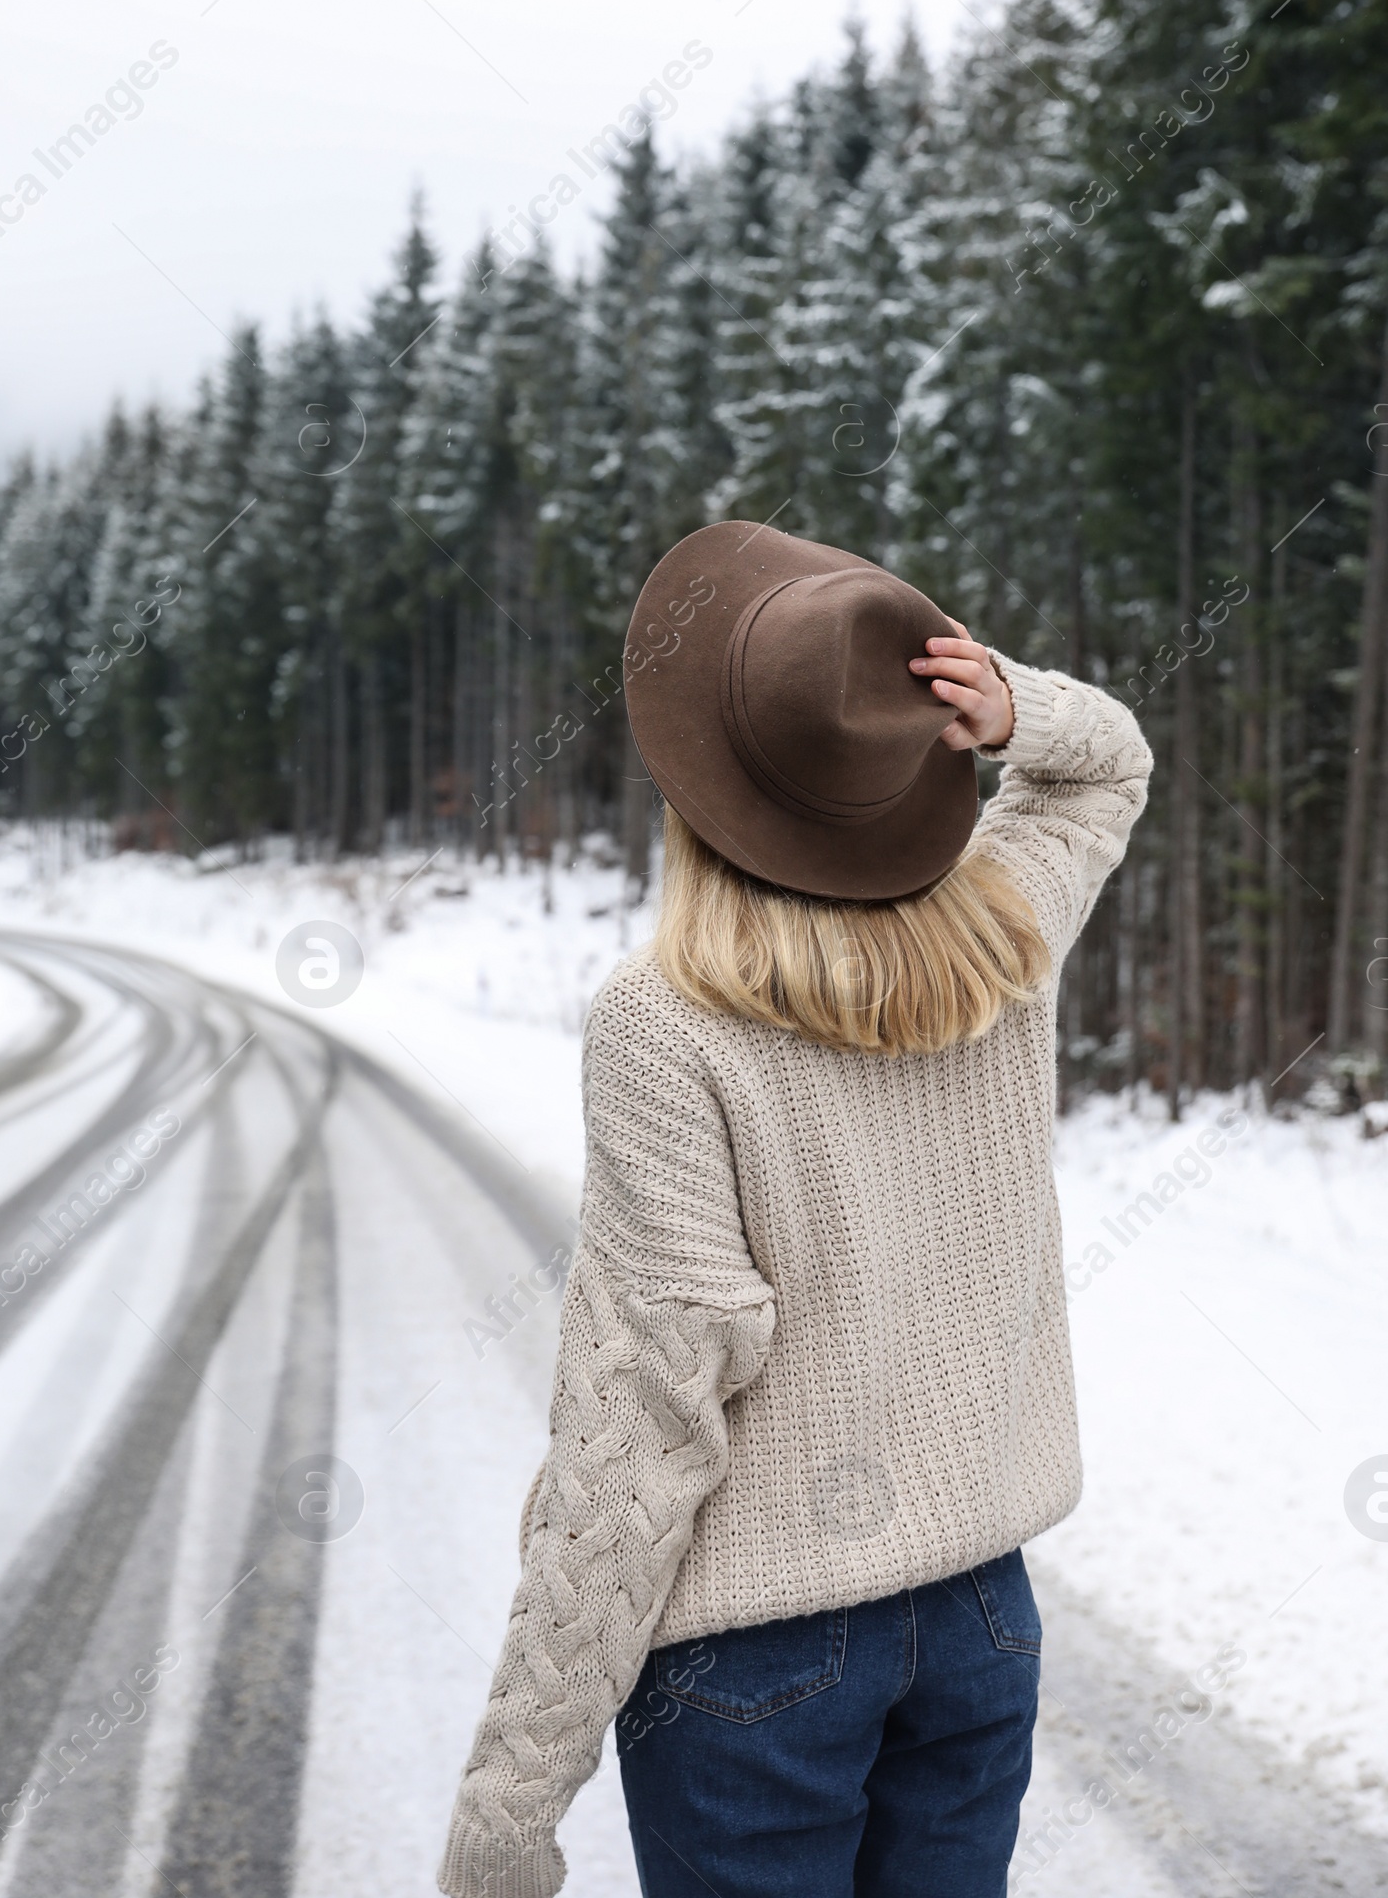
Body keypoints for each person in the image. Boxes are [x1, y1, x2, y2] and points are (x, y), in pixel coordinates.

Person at [438, 520, 1153, 1898]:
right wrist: (1009, 697)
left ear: (696, 786)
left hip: (755, 1664)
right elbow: (1105, 763)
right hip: (979, 1621)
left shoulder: (665, 1024)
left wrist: (514, 1800)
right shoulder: (1005, 944)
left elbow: (645, 1410)